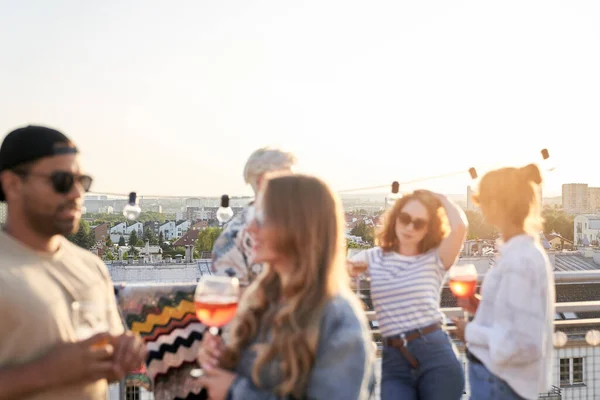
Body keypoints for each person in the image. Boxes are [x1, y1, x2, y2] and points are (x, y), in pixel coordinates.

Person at [0, 125, 147, 400]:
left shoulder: (91, 267)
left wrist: (123, 355)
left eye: (83, 181)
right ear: (12, 184)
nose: (77, 193)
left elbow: (106, 363)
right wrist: (45, 372)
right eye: (62, 181)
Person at [197, 173, 375, 399]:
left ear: (296, 228)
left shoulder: (337, 318)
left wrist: (235, 391)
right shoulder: (265, 298)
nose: (249, 228)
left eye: (261, 218)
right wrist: (224, 361)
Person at [349, 190, 467, 399]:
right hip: (394, 359)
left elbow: (459, 227)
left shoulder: (435, 258)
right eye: (405, 219)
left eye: (419, 223)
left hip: (435, 353)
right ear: (395, 219)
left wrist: (441, 199)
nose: (410, 227)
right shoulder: (374, 257)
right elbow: (337, 272)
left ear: (428, 229)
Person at [452, 164, 554, 400]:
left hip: (499, 383)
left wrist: (470, 331)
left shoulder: (520, 260)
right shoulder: (519, 253)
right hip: (498, 380)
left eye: (482, 200)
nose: (480, 207)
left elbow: (520, 343)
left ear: (499, 204)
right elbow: (516, 319)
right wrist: (481, 307)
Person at [211, 147, 296, 286]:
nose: (299, 184)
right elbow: (232, 299)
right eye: (290, 177)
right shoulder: (237, 236)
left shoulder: (231, 236)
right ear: (263, 181)